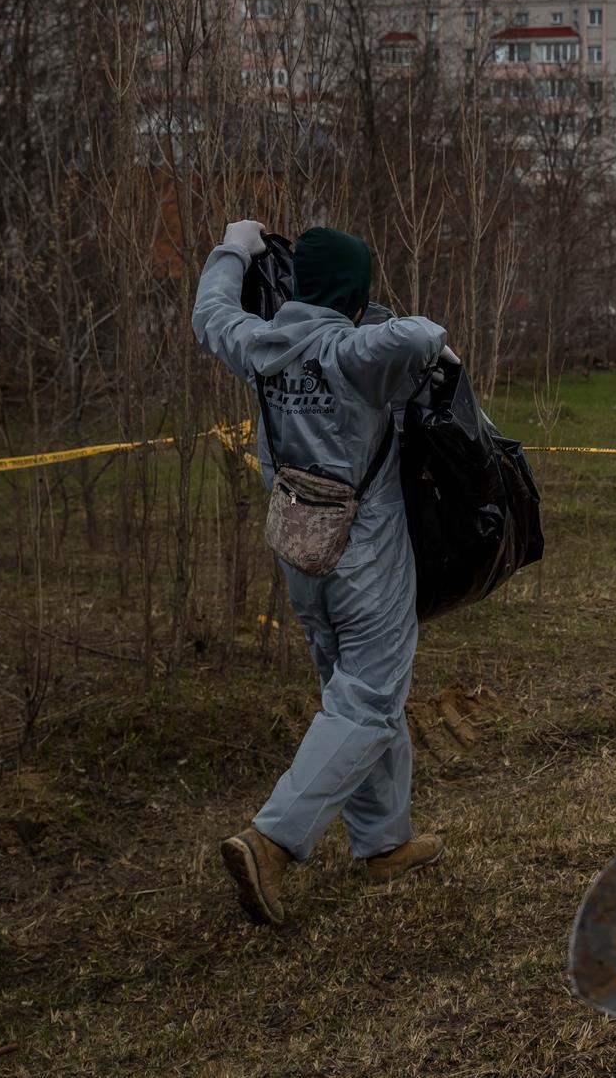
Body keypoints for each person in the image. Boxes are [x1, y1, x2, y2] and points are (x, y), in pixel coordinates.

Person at [192, 220, 455, 925]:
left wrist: (234, 248)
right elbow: (421, 336)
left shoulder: (260, 344)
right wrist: (402, 324)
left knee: (355, 695)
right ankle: (271, 840)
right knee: (368, 699)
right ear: (354, 292)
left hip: (301, 549)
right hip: (366, 553)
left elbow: (209, 312)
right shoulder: (355, 350)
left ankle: (381, 841)